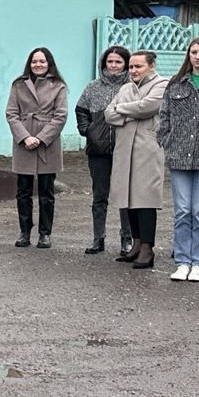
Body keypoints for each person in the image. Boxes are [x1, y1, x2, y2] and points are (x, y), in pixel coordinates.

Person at [104, 51, 167, 269]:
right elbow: (108, 115)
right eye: (131, 67)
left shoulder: (162, 84)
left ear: (151, 66)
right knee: (128, 196)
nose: (133, 71)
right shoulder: (125, 88)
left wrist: (122, 109)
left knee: (145, 198)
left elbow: (148, 107)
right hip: (124, 149)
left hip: (147, 149)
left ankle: (148, 248)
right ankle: (136, 244)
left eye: (138, 66)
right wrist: (131, 112)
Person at [5, 47, 69, 249]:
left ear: (49, 63)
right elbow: (11, 114)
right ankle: (24, 232)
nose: (38, 65)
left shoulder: (57, 86)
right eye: (34, 61)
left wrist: (41, 138)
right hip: (23, 142)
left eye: (42, 61)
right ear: (29, 64)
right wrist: (25, 137)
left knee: (46, 192)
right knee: (23, 191)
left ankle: (45, 234)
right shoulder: (18, 85)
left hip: (47, 144)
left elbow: (60, 116)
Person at [74, 45, 133, 255]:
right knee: (99, 195)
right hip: (98, 150)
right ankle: (98, 238)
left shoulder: (132, 86)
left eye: (118, 62)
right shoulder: (93, 87)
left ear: (125, 63)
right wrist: (87, 130)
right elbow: (80, 109)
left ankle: (127, 238)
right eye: (110, 61)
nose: (114, 65)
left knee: (125, 195)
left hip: (125, 148)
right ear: (104, 63)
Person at [157, 37, 199, 282]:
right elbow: (164, 116)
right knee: (182, 211)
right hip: (179, 157)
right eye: (194, 52)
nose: (197, 56)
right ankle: (182, 262)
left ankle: (198, 262)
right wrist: (165, 140)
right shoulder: (176, 84)